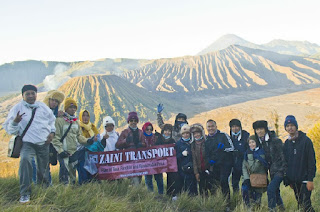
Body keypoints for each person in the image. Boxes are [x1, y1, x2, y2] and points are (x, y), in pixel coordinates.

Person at [3, 84, 56, 203]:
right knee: (25, 161)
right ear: (23, 95)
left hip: (43, 143)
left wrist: (52, 133)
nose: (31, 96)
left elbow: (52, 121)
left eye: (33, 93)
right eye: (28, 94)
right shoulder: (17, 108)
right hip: (28, 143)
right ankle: (25, 193)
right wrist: (15, 122)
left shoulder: (42, 107)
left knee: (43, 169)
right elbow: (9, 128)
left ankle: (44, 190)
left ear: (36, 94)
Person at [51, 97, 93, 184]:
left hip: (74, 151)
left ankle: (72, 190)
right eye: (71, 107)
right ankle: (63, 191)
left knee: (72, 174)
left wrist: (87, 141)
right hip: (63, 152)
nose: (73, 109)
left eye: (74, 107)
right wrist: (60, 151)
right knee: (64, 172)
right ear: (66, 108)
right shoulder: (59, 121)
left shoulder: (75, 122)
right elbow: (55, 138)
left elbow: (78, 136)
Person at [283, 115, 316, 212]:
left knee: (306, 205)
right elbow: (286, 162)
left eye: (292, 125)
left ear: (296, 126)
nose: (290, 128)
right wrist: (289, 179)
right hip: (294, 181)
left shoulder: (306, 141)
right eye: (288, 126)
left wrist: (310, 179)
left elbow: (311, 161)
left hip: (305, 180)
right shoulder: (287, 143)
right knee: (300, 204)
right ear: (285, 128)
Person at [31, 90, 65, 185]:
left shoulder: (55, 112)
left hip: (50, 143)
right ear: (48, 99)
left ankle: (46, 185)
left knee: (46, 164)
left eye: (57, 101)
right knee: (40, 164)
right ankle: (39, 184)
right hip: (39, 141)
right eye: (53, 100)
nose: (54, 103)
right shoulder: (41, 110)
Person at [253, 120, 286, 211]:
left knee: (271, 189)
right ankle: (282, 209)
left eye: (261, 129)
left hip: (280, 170)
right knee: (276, 191)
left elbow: (284, 157)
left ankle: (272, 209)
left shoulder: (276, 141)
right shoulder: (259, 143)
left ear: (265, 129)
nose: (259, 131)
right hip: (271, 171)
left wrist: (284, 172)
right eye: (257, 129)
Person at [205, 120, 234, 211]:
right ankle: (217, 202)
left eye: (212, 126)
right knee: (214, 184)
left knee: (223, 181)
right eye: (209, 127)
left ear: (216, 126)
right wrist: (210, 160)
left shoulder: (223, 135)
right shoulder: (207, 140)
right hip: (215, 165)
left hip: (226, 164)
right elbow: (207, 153)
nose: (211, 128)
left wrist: (223, 149)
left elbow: (232, 148)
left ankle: (227, 204)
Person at [115, 111, 146, 185]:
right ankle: (135, 193)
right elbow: (117, 145)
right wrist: (125, 141)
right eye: (131, 121)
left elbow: (145, 144)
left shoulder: (140, 132)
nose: (133, 122)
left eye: (135, 120)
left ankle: (133, 194)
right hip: (129, 161)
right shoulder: (125, 132)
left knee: (138, 179)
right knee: (134, 180)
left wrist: (141, 144)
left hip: (139, 160)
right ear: (128, 122)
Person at [242, 135, 268, 208]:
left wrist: (250, 156)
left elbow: (253, 168)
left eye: (253, 142)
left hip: (258, 179)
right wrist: (246, 178)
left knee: (257, 199)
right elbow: (244, 166)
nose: (251, 144)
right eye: (249, 143)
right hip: (249, 179)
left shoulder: (261, 153)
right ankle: (248, 208)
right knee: (245, 190)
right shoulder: (246, 153)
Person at [154, 124, 178, 199]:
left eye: (169, 131)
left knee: (171, 177)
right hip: (159, 163)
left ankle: (170, 193)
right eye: (166, 130)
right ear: (163, 131)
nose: (167, 132)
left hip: (169, 163)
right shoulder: (158, 140)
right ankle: (160, 194)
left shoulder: (172, 141)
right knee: (159, 178)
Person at [78, 109, 100, 184]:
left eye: (87, 115)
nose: (85, 117)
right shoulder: (78, 127)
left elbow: (97, 139)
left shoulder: (92, 126)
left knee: (93, 173)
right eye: (83, 115)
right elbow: (79, 139)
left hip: (92, 154)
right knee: (83, 172)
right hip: (82, 154)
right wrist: (90, 140)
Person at [175, 124, 198, 196]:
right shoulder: (178, 144)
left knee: (193, 188)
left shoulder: (193, 142)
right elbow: (175, 158)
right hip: (182, 170)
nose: (186, 135)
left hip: (193, 169)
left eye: (187, 133)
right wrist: (182, 154)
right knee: (185, 188)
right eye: (184, 133)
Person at [143, 122, 164, 195]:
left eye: (150, 129)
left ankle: (161, 194)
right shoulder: (141, 138)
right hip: (146, 163)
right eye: (147, 129)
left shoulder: (155, 137)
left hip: (157, 162)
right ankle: (150, 194)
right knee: (148, 180)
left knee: (159, 179)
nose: (149, 131)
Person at [229, 119, 249, 193]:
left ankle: (247, 198)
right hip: (234, 165)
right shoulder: (230, 138)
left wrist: (241, 153)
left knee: (246, 182)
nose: (235, 128)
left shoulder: (246, 136)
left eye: (236, 126)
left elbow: (249, 150)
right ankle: (236, 198)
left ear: (240, 127)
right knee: (234, 183)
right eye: (233, 127)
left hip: (244, 164)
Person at [190, 123, 209, 196]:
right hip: (199, 169)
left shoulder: (206, 141)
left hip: (208, 169)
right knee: (201, 188)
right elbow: (194, 160)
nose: (196, 135)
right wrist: (196, 172)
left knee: (210, 187)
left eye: (198, 133)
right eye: (194, 133)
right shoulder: (193, 145)